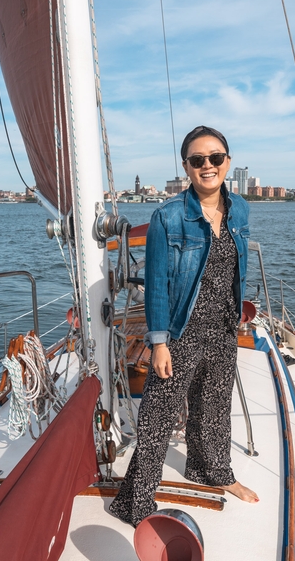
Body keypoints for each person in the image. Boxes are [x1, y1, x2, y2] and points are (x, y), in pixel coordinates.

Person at [109, 125, 259, 528]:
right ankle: (135, 502)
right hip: (182, 329)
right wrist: (159, 343)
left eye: (215, 158)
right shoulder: (168, 217)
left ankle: (211, 471)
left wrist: (238, 311)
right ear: (186, 167)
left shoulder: (239, 209)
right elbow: (157, 284)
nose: (207, 166)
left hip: (224, 326)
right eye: (198, 160)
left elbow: (235, 266)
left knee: (214, 408)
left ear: (227, 161)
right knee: (159, 414)